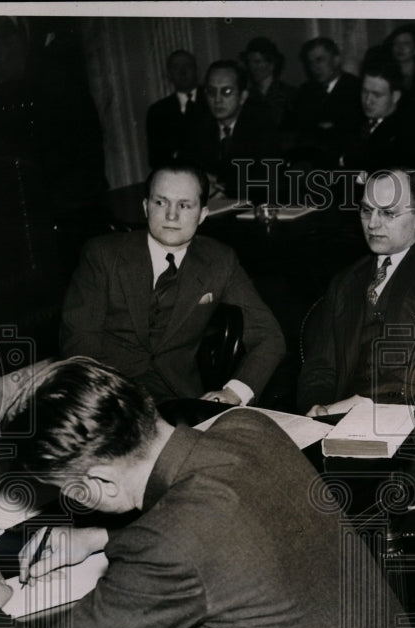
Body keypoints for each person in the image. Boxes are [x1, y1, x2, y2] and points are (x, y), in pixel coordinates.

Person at [0, 357, 415, 628]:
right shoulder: (246, 426)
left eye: (68, 491)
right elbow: (236, 531)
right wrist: (101, 537)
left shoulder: (168, 546)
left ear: (99, 481)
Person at [297, 168, 415, 472]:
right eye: (366, 210)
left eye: (388, 213)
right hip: (345, 429)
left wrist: (360, 402)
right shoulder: (346, 281)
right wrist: (318, 408)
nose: (372, 223)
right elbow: (320, 365)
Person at [59, 161, 286, 405]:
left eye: (184, 205)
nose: (171, 215)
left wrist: (234, 393)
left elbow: (269, 336)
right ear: (146, 207)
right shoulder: (103, 255)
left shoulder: (219, 260)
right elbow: (79, 341)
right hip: (110, 397)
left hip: (181, 401)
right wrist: (105, 403)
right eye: (161, 202)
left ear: (202, 215)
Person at [185, 59, 279, 201]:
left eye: (226, 92)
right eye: (211, 92)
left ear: (242, 96)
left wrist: (222, 188)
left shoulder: (261, 125)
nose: (217, 100)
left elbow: (264, 180)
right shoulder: (199, 127)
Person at [290, 37, 362, 167]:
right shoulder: (305, 91)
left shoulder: (356, 88)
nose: (314, 67)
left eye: (320, 60)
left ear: (336, 60)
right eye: (310, 63)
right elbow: (297, 130)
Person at [339, 59, 410, 173]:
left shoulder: (406, 132)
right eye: (364, 92)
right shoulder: (354, 119)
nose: (368, 101)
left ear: (395, 96)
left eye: (377, 95)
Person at [146, 49, 210, 170]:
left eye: (187, 66)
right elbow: (156, 159)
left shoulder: (212, 100)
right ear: (169, 75)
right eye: (176, 67)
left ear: (196, 70)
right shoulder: (157, 112)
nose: (183, 71)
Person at [240, 36, 296, 131]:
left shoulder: (289, 94)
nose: (252, 67)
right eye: (249, 62)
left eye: (257, 62)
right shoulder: (247, 96)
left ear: (272, 64)